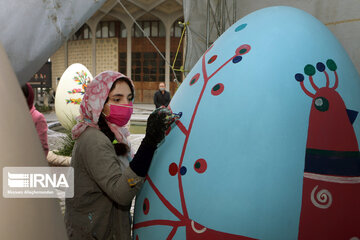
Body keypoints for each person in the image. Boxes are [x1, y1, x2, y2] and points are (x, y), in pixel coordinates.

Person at [65, 71, 173, 240]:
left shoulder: (115, 135)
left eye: (129, 98)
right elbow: (121, 193)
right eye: (117, 99)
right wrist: (149, 142)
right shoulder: (94, 139)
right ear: (98, 102)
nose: (126, 104)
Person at [21, 83, 49, 157]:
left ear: (27, 97)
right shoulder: (12, 115)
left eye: (21, 96)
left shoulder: (37, 117)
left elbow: (43, 148)